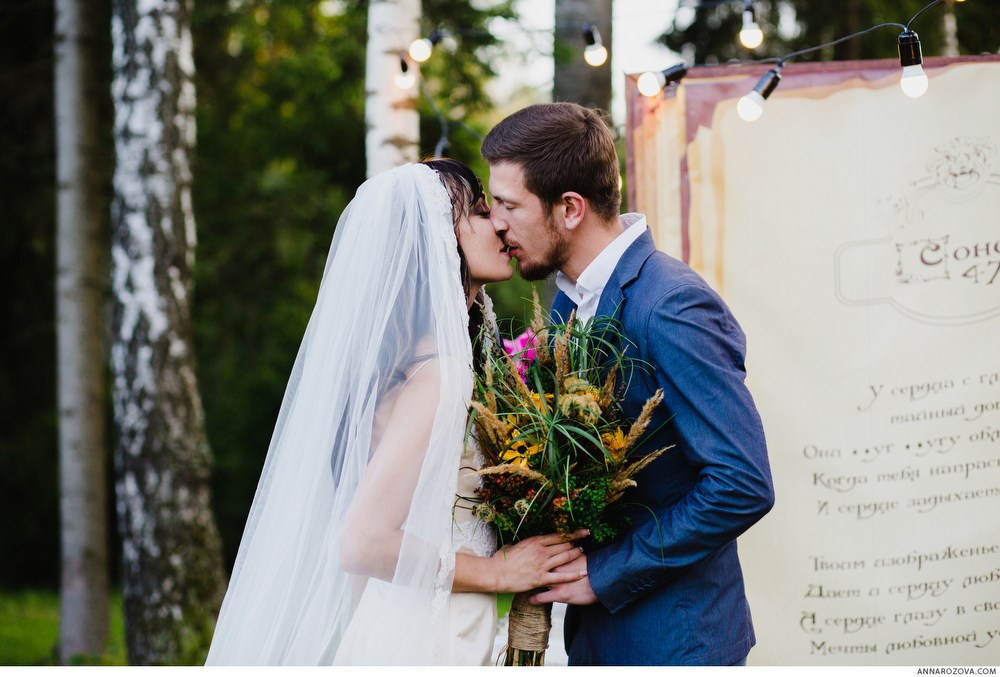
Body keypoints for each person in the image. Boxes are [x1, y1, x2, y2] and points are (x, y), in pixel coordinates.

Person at [206, 159, 586, 666]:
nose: (497, 222)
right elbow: (362, 543)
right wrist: (497, 572)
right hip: (430, 640)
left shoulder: (415, 367)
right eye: (476, 211)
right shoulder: (440, 375)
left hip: (418, 627)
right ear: (433, 241)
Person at [481, 103, 775, 666]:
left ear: (570, 208)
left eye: (509, 205)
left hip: (674, 643)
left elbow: (742, 483)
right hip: (598, 640)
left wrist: (607, 571)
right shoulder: (568, 302)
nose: (497, 222)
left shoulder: (670, 305)